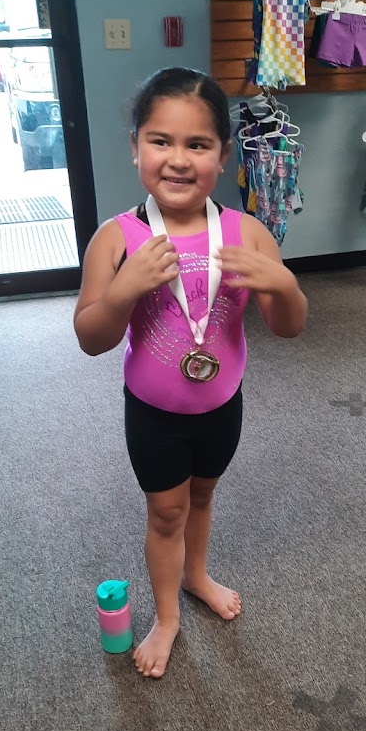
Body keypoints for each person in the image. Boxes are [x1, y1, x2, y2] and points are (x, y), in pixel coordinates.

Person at [74, 67, 307, 679]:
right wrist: (122, 290)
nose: (178, 159)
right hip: (153, 415)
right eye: (160, 141)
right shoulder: (116, 239)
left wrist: (285, 285)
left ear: (223, 156)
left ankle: (197, 574)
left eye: (198, 144)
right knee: (166, 513)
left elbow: (288, 326)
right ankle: (167, 615)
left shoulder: (246, 233)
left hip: (222, 407)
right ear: (135, 147)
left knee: (202, 496)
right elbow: (91, 339)